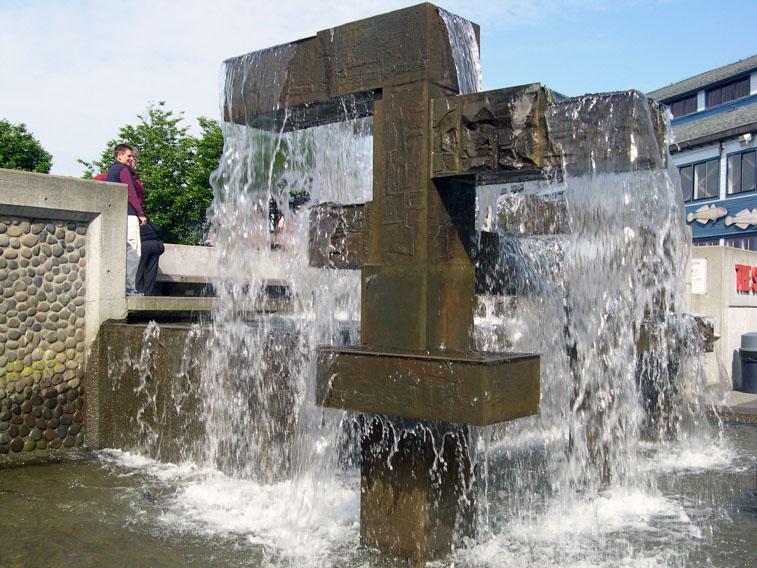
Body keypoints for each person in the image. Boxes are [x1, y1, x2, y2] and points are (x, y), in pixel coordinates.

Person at [94, 144, 146, 295]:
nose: (131, 158)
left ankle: (119, 286)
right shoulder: (123, 170)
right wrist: (140, 213)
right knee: (133, 249)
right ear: (119, 156)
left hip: (117, 214)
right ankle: (130, 288)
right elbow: (130, 192)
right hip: (129, 214)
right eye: (129, 156)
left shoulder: (111, 170)